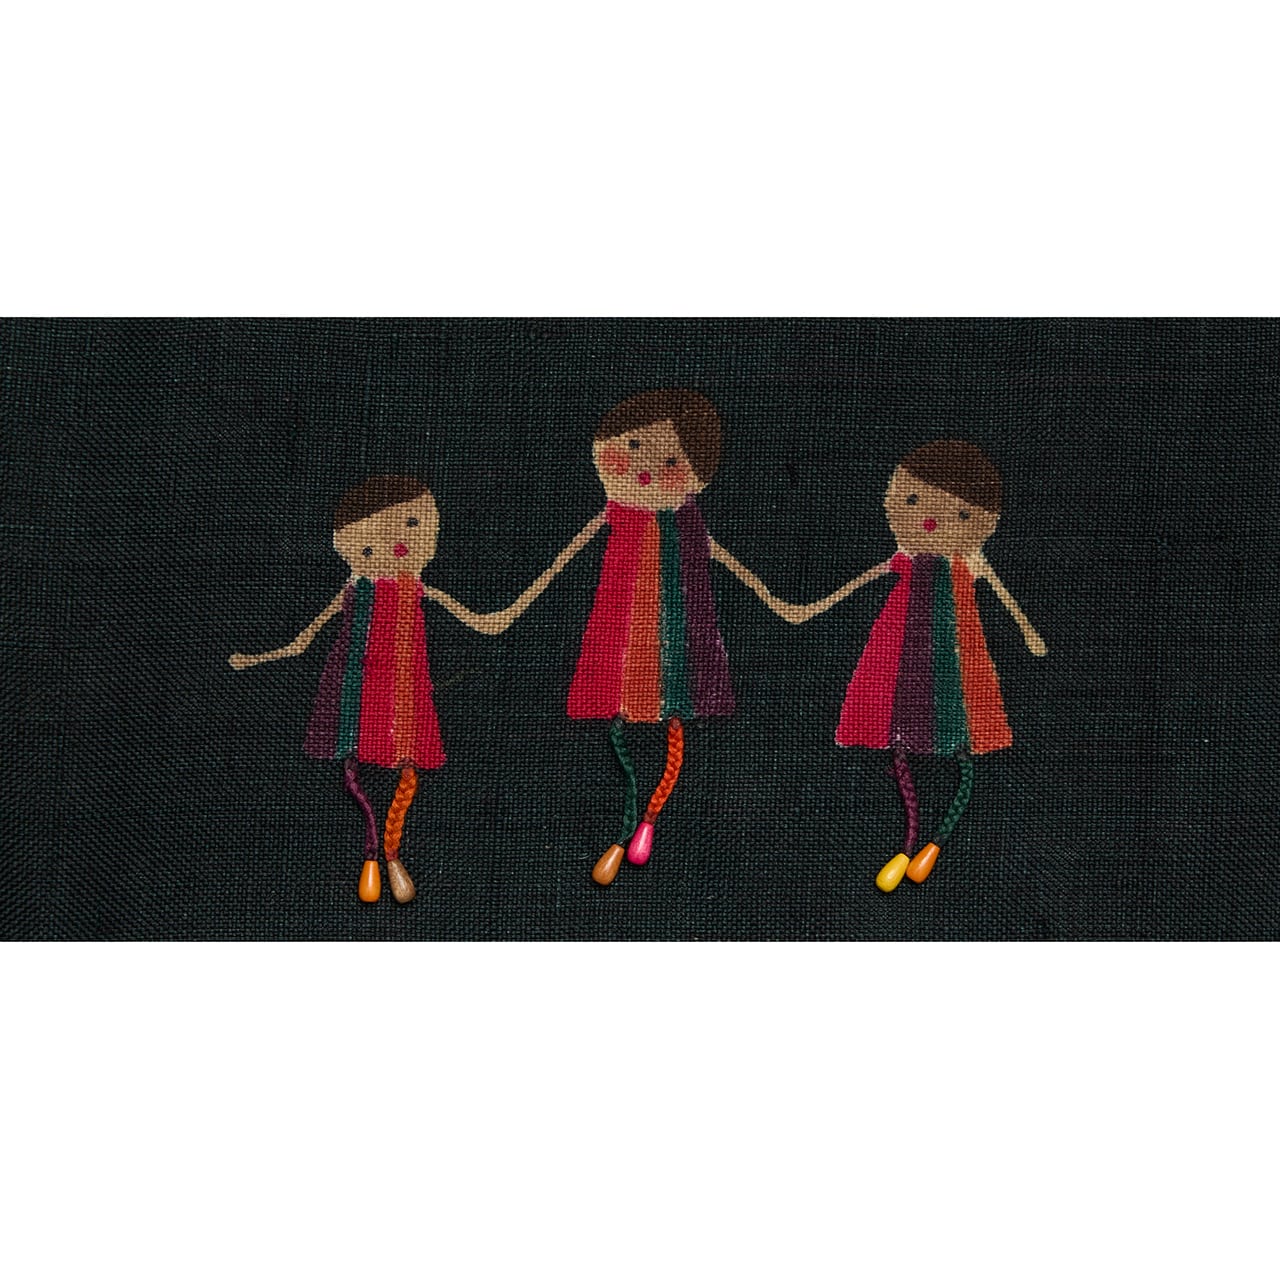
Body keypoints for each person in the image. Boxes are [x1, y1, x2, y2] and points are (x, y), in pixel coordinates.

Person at [428, 389, 795, 886]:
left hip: (677, 652)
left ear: (697, 475)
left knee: (670, 723)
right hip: (617, 638)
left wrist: (777, 602)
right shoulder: (618, 516)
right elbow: (559, 563)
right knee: (637, 723)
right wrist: (510, 610)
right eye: (632, 448)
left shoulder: (689, 529)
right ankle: (634, 827)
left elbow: (728, 562)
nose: (645, 468)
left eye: (669, 460)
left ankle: (644, 823)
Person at [776, 440, 1047, 892]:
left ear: (981, 522)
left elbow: (1003, 597)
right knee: (902, 725)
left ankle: (926, 843)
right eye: (915, 500)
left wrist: (1027, 632)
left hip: (957, 654)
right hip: (900, 649)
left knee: (959, 730)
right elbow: (857, 583)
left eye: (960, 515)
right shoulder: (905, 559)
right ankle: (913, 845)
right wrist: (810, 608)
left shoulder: (969, 562)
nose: (932, 520)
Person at [229, 475, 492, 904]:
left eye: (411, 525)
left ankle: (388, 854)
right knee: (373, 769)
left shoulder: (412, 589)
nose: (397, 545)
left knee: (400, 770)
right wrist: (261, 657)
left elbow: (483, 622)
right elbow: (302, 642)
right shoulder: (357, 591)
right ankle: (379, 854)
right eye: (369, 547)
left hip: (403, 698)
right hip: (361, 698)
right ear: (350, 550)